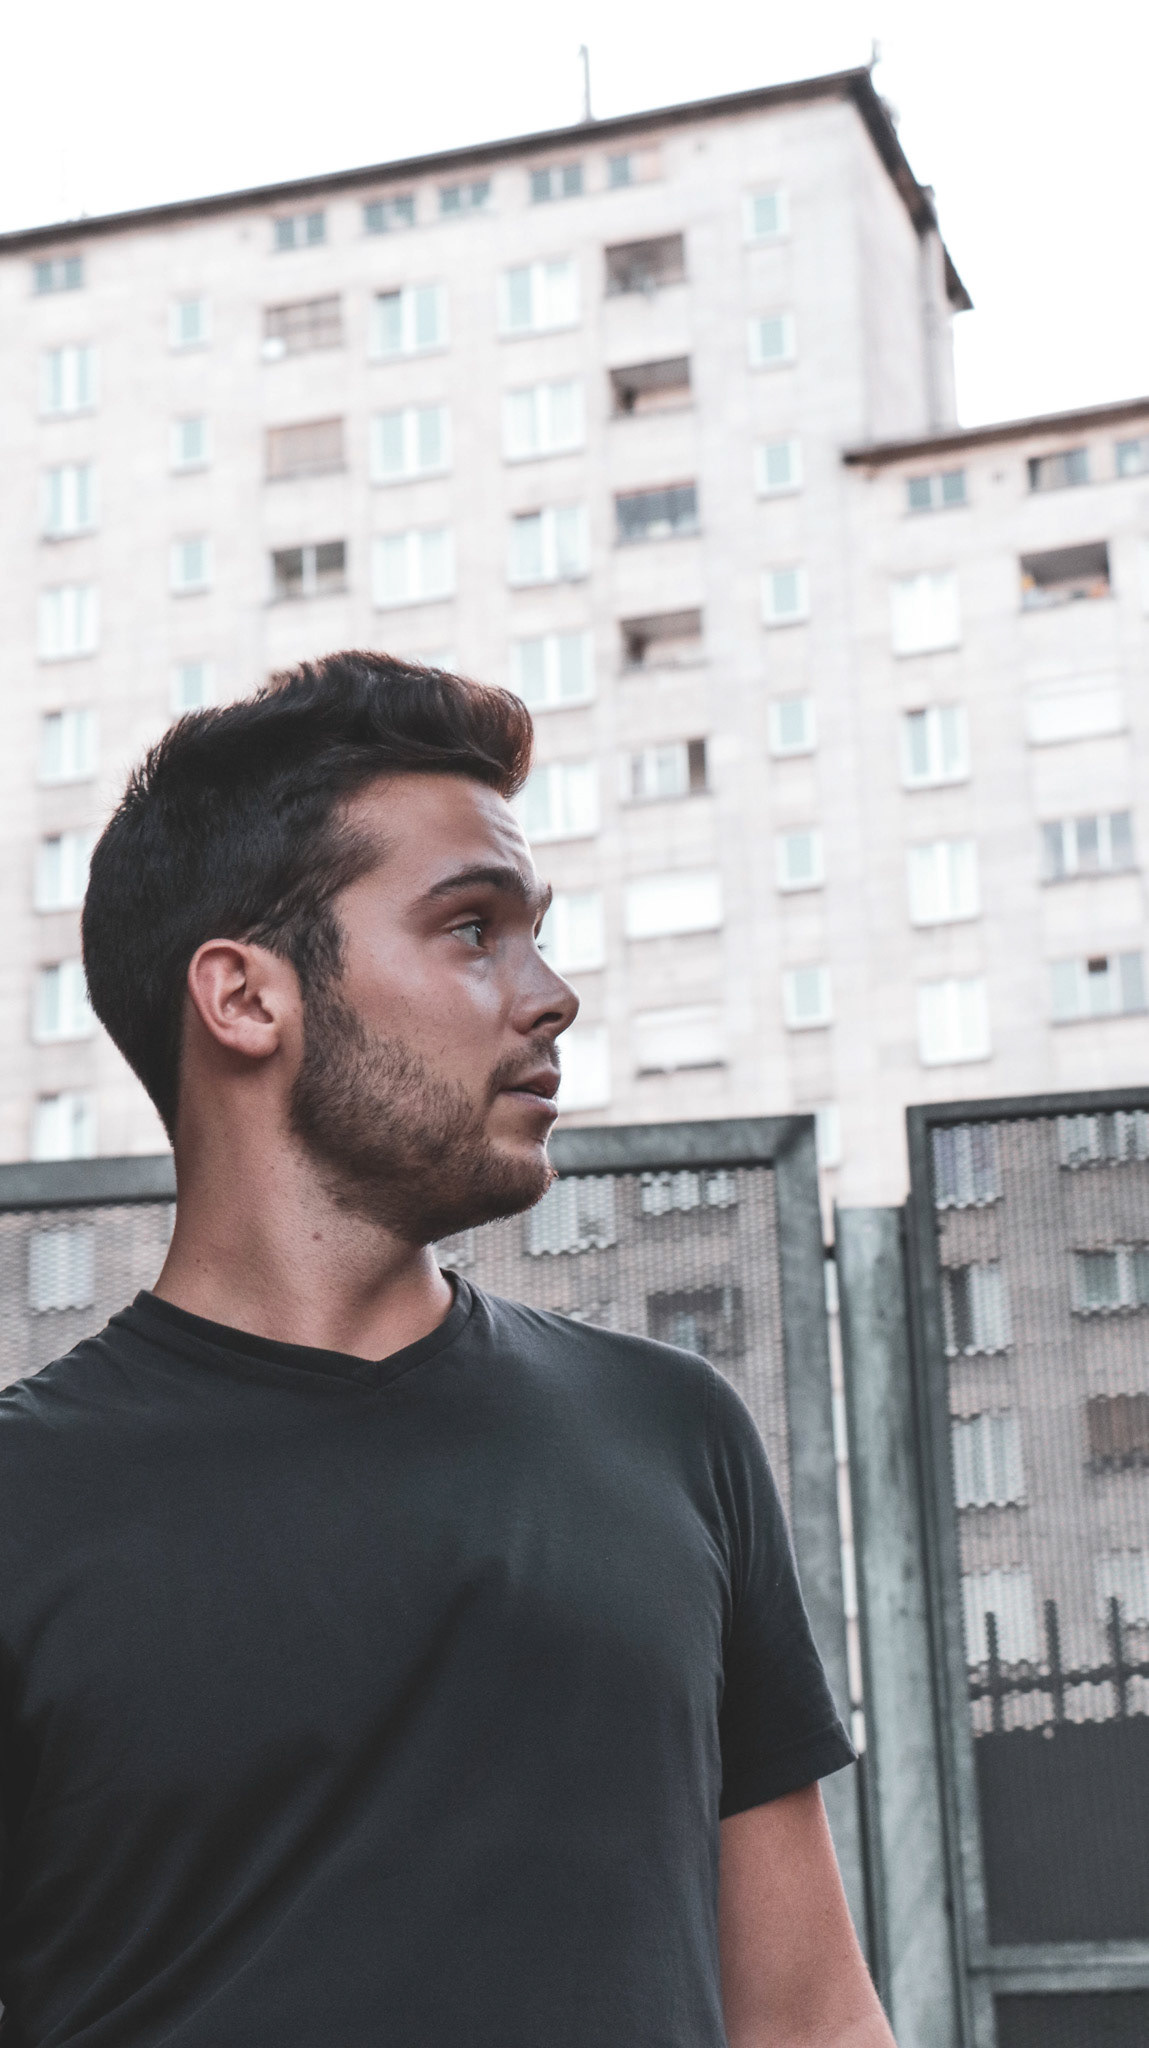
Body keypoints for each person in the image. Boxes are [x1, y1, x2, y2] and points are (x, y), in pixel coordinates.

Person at [0, 653, 894, 2048]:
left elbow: (810, 2020)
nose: (552, 995)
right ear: (245, 998)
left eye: (535, 932)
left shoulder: (669, 1432)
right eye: (472, 930)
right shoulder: (24, 1503)